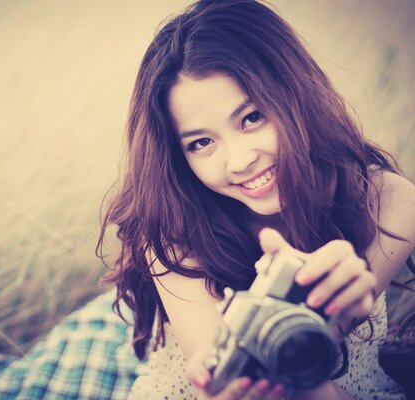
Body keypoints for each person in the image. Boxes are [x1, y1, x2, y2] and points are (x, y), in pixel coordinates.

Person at [97, 0, 415, 399]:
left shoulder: (387, 202)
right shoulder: (174, 231)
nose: (240, 161)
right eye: (201, 143)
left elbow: (307, 359)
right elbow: (237, 383)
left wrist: (327, 297)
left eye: (252, 118)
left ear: (297, 95)